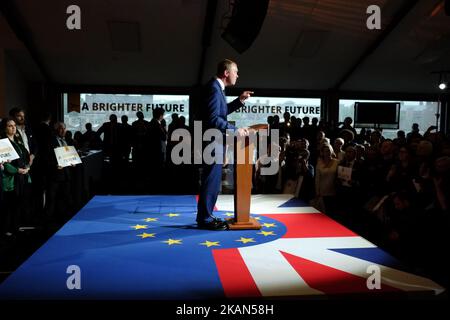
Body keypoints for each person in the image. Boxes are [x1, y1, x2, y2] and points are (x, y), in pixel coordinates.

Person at [196, 59, 253, 230]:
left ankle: (206, 216)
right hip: (213, 142)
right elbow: (213, 119)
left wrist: (239, 101)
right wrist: (235, 130)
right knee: (211, 181)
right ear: (226, 73)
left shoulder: (217, 88)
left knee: (212, 181)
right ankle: (205, 219)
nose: (238, 75)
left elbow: (221, 112)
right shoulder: (214, 88)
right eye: (236, 71)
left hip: (215, 141)